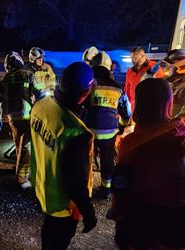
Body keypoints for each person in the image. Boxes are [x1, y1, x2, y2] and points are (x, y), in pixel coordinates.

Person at [111, 78, 185, 249]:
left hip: (143, 222)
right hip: (177, 227)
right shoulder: (179, 132)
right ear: (168, 103)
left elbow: (121, 187)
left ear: (139, 104)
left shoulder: (131, 143)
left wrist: (119, 218)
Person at [31, 62, 97, 250]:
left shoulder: (42, 105)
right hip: (64, 203)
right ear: (85, 93)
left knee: (49, 230)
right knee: (60, 240)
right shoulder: (75, 132)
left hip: (43, 186)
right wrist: (88, 211)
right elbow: (75, 180)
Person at [83, 51, 131, 199]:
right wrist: (123, 125)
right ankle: (106, 189)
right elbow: (126, 112)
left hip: (89, 131)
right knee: (107, 160)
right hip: (109, 132)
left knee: (86, 160)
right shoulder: (117, 87)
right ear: (109, 67)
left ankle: (85, 189)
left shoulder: (88, 85)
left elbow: (79, 107)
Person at [0, 51, 36, 189]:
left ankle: (22, 174)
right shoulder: (28, 75)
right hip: (29, 116)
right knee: (28, 147)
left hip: (13, 118)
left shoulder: (4, 79)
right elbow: (39, 94)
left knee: (19, 147)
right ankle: (22, 179)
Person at [125, 47, 165, 114]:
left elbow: (162, 86)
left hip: (150, 106)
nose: (132, 61)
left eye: (135, 58)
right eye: (131, 58)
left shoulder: (153, 67)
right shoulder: (130, 71)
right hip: (135, 107)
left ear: (142, 56)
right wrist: (132, 102)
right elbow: (127, 89)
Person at [163, 48, 185, 119]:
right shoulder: (173, 81)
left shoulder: (182, 85)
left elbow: (177, 113)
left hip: (177, 127)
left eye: (170, 66)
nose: (167, 69)